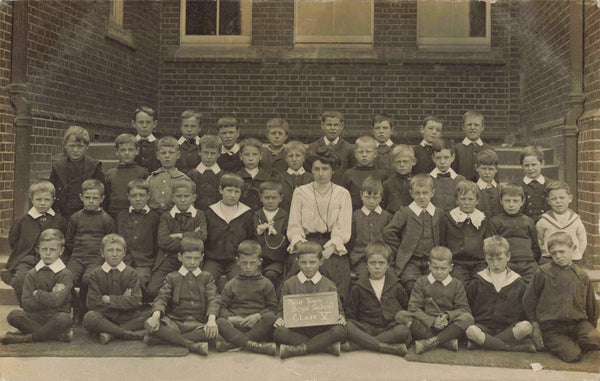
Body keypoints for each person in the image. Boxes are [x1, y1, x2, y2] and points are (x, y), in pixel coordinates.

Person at [287, 150, 353, 304]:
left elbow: (342, 226)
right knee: (299, 267)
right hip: (307, 242)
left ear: (333, 170)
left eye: (325, 169)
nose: (321, 173)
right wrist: (302, 246)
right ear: (311, 170)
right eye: (316, 169)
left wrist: (331, 247)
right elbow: (294, 224)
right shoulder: (301, 192)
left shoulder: (342, 193)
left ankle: (334, 311)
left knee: (334, 268)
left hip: (332, 243)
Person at [523, 231, 600, 362]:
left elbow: (591, 306)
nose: (558, 256)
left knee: (595, 340)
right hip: (553, 327)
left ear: (573, 249)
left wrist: (590, 328)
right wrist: (535, 326)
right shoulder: (543, 273)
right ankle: (559, 343)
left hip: (578, 324)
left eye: (562, 251)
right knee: (573, 355)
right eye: (554, 253)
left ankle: (573, 341)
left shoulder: (581, 275)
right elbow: (528, 300)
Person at [144, 238, 220, 356]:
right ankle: (193, 345)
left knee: (215, 330)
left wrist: (211, 320)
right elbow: (162, 297)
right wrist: (155, 316)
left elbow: (213, 298)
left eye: (196, 258)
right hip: (175, 321)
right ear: (180, 257)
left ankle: (164, 340)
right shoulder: (172, 277)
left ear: (202, 257)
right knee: (151, 324)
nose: (192, 262)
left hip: (197, 323)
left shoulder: (206, 277)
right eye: (188, 258)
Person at [273, 241, 347, 359]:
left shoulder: (329, 285)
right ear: (297, 262)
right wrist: (279, 318)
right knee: (279, 332)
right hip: (298, 330)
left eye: (312, 262)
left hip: (321, 330)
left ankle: (299, 349)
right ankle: (325, 346)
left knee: (340, 330)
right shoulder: (289, 284)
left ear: (321, 262)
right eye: (303, 262)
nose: (308, 266)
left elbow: (339, 310)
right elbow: (281, 310)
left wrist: (340, 317)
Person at [1, 229, 73, 344]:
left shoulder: (65, 274)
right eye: (44, 249)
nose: (48, 253)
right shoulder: (32, 273)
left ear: (61, 251)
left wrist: (37, 294)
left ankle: (25, 338)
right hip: (35, 316)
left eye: (53, 249)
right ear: (38, 250)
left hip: (56, 316)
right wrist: (49, 297)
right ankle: (57, 335)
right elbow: (26, 303)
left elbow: (57, 302)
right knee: (13, 315)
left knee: (65, 319)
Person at [397, 246, 474, 354]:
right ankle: (445, 342)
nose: (439, 272)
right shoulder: (421, 282)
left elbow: (464, 309)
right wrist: (432, 322)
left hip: (448, 327)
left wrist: (448, 315)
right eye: (435, 267)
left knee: (468, 318)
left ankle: (431, 342)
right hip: (426, 324)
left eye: (443, 268)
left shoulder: (457, 284)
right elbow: (413, 308)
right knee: (402, 315)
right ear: (429, 266)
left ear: (451, 267)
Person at [465, 236, 535, 352]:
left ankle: (485, 343)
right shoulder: (478, 281)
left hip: (508, 329)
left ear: (508, 257)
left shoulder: (518, 282)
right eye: (490, 259)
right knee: (471, 331)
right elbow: (468, 305)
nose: (495, 264)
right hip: (483, 327)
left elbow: (525, 309)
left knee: (526, 327)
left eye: (500, 259)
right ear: (485, 258)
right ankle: (510, 347)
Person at [4, 181, 67, 305]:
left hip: (52, 258)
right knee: (20, 279)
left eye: (46, 199)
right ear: (31, 199)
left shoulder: (60, 220)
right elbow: (13, 241)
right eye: (38, 199)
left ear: (53, 200)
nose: (42, 203)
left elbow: (65, 241)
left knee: (49, 280)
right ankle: (27, 305)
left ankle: (47, 307)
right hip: (28, 258)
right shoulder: (23, 221)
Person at [345, 243, 410, 356]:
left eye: (381, 263)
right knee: (348, 326)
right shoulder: (358, 286)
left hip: (389, 327)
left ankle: (360, 344)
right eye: (372, 263)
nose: (377, 267)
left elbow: (405, 306)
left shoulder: (396, 285)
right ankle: (387, 347)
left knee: (403, 330)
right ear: (366, 264)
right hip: (366, 327)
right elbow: (351, 313)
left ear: (388, 265)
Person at [147, 179, 207, 301]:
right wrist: (191, 239)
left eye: (186, 196)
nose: (183, 199)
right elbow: (163, 241)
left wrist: (179, 235)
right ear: (173, 197)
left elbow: (202, 237)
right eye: (179, 196)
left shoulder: (199, 215)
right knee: (152, 290)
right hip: (168, 258)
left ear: (194, 198)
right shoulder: (166, 216)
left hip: (191, 259)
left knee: (194, 290)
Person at [383, 174, 443, 293]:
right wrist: (402, 248)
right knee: (411, 285)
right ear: (411, 194)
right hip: (411, 260)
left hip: (432, 260)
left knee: (434, 285)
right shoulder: (405, 212)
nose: (421, 197)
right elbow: (388, 232)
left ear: (432, 193)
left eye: (425, 193)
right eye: (417, 193)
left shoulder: (438, 213)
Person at [215, 240, 278, 355]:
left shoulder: (266, 283)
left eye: (252, 263)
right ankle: (255, 346)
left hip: (257, 327)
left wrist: (258, 316)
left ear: (260, 262)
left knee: (270, 317)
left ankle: (235, 344)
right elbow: (221, 307)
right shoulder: (231, 284)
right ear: (237, 261)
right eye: (244, 263)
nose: (248, 267)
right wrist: (230, 318)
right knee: (220, 322)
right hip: (236, 326)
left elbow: (273, 308)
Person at [65, 179, 115, 322]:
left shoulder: (107, 219)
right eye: (87, 198)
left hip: (96, 258)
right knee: (66, 278)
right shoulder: (76, 217)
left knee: (88, 279)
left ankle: (84, 309)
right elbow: (69, 240)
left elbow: (110, 242)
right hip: (77, 257)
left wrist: (100, 256)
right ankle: (76, 307)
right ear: (81, 197)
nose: (91, 201)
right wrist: (78, 251)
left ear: (102, 199)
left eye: (95, 198)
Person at [82, 234, 146, 344]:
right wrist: (122, 301)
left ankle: (110, 333)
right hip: (105, 318)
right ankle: (125, 334)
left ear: (124, 252)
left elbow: (135, 300)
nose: (115, 254)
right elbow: (93, 303)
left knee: (151, 315)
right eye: (110, 250)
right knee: (90, 317)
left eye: (119, 250)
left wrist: (109, 300)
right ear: (102, 253)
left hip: (128, 317)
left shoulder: (131, 273)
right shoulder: (96, 274)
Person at [203, 173, 254, 282]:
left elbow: (250, 237)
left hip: (236, 259)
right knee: (206, 279)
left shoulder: (246, 213)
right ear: (221, 190)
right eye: (229, 191)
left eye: (237, 192)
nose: (233, 195)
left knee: (238, 281)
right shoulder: (211, 211)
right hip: (213, 259)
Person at [440, 180, 491, 287]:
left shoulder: (482, 219)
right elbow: (442, 242)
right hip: (458, 263)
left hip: (479, 263)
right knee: (459, 284)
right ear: (457, 200)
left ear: (477, 201)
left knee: (482, 283)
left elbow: (488, 243)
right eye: (463, 199)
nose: (467, 202)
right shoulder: (448, 218)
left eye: (471, 199)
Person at [49, 125, 105, 220]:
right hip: (63, 214)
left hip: (87, 214)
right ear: (65, 146)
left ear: (87, 147)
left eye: (80, 146)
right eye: (71, 146)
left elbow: (103, 192)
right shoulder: (58, 166)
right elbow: (51, 192)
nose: (75, 150)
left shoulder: (94, 166)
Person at [115, 179, 160, 294]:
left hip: (145, 264)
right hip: (123, 261)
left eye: (142, 195)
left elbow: (157, 245)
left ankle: (133, 307)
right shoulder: (121, 216)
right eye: (134, 195)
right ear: (128, 197)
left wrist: (152, 264)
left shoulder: (155, 218)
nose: (138, 199)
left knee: (138, 279)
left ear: (148, 196)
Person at [490, 183, 541, 283]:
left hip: (528, 262)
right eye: (507, 201)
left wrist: (532, 260)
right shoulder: (495, 221)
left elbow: (535, 246)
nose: (511, 205)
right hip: (506, 263)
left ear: (522, 202)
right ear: (501, 201)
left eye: (515, 201)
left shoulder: (528, 221)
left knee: (534, 284)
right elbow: (492, 247)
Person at [349, 177, 393, 277]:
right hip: (361, 259)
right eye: (368, 197)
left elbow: (391, 241)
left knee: (391, 278)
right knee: (364, 278)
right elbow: (350, 242)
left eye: (375, 197)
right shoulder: (355, 216)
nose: (371, 201)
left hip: (382, 259)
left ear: (381, 197)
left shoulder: (387, 217)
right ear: (361, 195)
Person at [536, 181, 587, 265]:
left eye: (562, 198)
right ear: (548, 201)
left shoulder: (575, 220)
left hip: (572, 260)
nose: (558, 201)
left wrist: (576, 254)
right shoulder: (544, 220)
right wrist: (546, 252)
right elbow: (539, 239)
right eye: (553, 199)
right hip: (550, 259)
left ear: (570, 198)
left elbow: (582, 240)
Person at [104, 133, 149, 219]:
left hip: (136, 214)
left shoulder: (142, 172)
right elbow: (107, 197)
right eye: (123, 150)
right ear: (117, 151)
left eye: (131, 150)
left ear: (137, 151)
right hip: (114, 214)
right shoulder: (110, 174)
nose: (127, 153)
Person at [253, 182, 288, 289]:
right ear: (261, 198)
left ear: (281, 198)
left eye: (274, 198)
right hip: (258, 258)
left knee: (270, 275)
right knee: (254, 274)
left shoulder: (285, 216)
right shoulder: (256, 215)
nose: (270, 201)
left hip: (277, 259)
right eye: (266, 197)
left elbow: (287, 240)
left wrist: (276, 234)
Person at [306, 111, 355, 185]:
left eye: (336, 125)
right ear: (322, 125)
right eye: (329, 125)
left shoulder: (349, 149)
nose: (332, 128)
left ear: (342, 126)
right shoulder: (313, 148)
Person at [147, 136, 190, 214]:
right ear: (157, 156)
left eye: (171, 153)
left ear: (178, 155)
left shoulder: (183, 179)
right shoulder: (151, 179)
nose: (167, 156)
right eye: (163, 153)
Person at [342, 136, 388, 210]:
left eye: (368, 152)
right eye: (360, 152)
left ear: (375, 154)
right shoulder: (349, 174)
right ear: (355, 154)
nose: (364, 155)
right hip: (354, 214)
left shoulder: (382, 174)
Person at [452, 111, 494, 181]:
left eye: (476, 125)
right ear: (463, 127)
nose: (472, 127)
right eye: (469, 125)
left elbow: (494, 176)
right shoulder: (456, 149)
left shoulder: (489, 149)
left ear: (482, 127)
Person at [518, 145, 555, 222]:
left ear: (542, 163)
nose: (530, 169)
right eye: (526, 165)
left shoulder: (551, 185)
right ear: (522, 166)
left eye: (534, 165)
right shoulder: (517, 186)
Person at [274, 140, 313, 212]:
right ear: (286, 159)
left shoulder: (312, 178)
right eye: (290, 156)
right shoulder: (279, 179)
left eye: (298, 156)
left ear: (304, 158)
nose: (294, 159)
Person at [188, 134, 223, 212]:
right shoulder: (192, 175)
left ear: (219, 154)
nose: (209, 157)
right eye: (206, 152)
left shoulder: (223, 176)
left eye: (213, 153)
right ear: (199, 152)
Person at [430, 138, 465, 213]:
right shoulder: (427, 180)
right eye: (438, 158)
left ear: (453, 157)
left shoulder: (461, 180)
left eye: (446, 157)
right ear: (433, 158)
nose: (442, 162)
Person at [237, 138, 272, 211]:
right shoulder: (237, 178)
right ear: (240, 156)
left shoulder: (267, 178)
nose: (250, 158)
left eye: (255, 154)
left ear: (261, 156)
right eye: (246, 154)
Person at [382, 145, 415, 214]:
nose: (402, 165)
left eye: (405, 161)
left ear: (413, 162)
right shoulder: (387, 184)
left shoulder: (417, 183)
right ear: (393, 163)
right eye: (398, 162)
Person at [132, 105, 161, 173]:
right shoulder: (130, 144)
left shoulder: (159, 145)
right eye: (141, 122)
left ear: (155, 124)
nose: (144, 126)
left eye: (148, 122)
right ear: (134, 124)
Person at [474, 149, 501, 220]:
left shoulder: (501, 189)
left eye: (491, 169)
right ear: (477, 168)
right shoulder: (473, 189)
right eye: (483, 168)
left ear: (496, 169)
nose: (487, 172)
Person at [176, 109, 202, 174]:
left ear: (199, 128)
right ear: (181, 127)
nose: (189, 130)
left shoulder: (203, 145)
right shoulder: (175, 145)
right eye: (186, 126)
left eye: (193, 126)